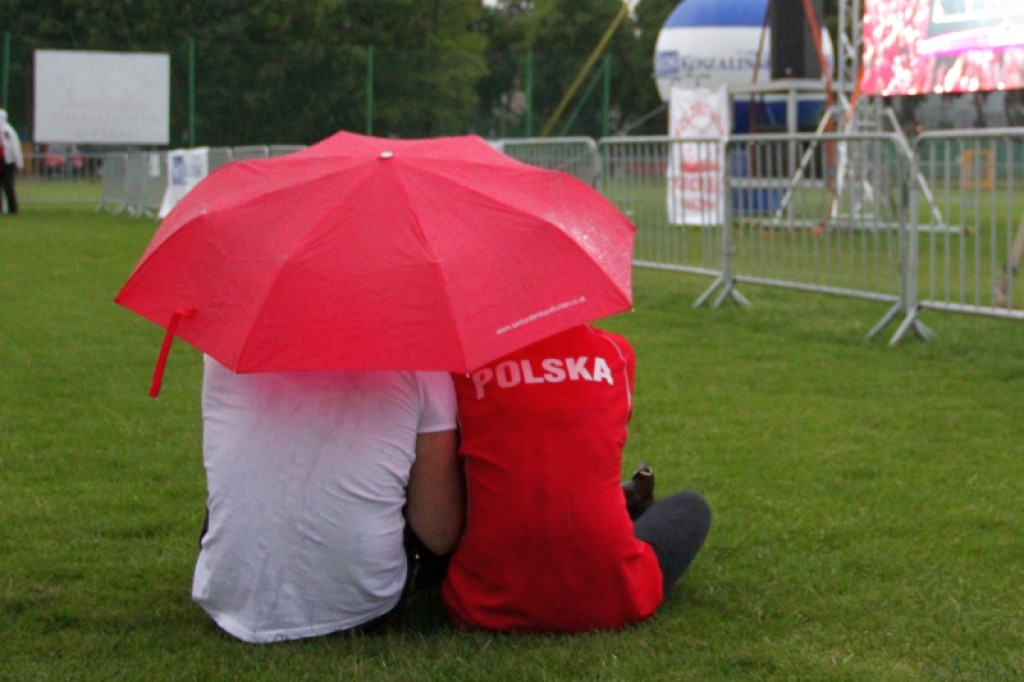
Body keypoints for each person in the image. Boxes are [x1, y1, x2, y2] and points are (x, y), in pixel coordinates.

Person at [441, 324, 711, 632]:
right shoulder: (614, 352)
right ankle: (624, 506)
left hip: (483, 600)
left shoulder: (459, 364)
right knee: (691, 507)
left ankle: (621, 504)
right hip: (612, 595)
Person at [192, 356, 463, 643]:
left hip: (229, 596)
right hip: (364, 606)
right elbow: (439, 533)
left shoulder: (225, 354)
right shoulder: (421, 361)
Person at [0, 109, 23, 214]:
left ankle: (13, 209)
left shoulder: (8, 131)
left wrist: (19, 162)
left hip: (8, 163)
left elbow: (15, 147)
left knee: (8, 186)